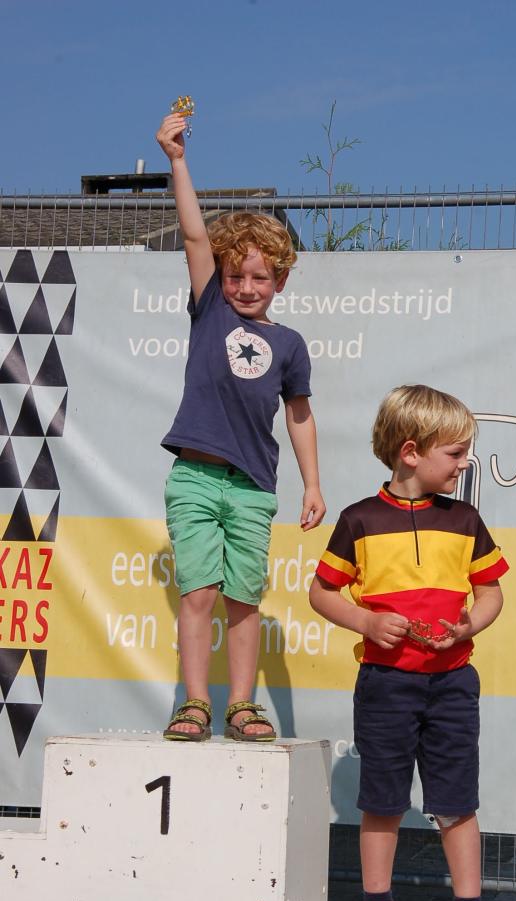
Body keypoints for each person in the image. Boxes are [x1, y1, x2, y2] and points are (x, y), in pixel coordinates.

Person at [309, 384, 507, 901]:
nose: (465, 463)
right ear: (412, 452)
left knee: (457, 803)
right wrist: (367, 621)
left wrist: (468, 627)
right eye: (456, 452)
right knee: (383, 803)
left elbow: (491, 593)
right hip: (385, 686)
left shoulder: (466, 519)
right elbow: (322, 592)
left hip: (452, 685)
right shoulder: (359, 520)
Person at [156, 110, 325, 743]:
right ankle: (196, 704)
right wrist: (177, 159)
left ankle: (243, 705)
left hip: (253, 486)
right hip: (195, 478)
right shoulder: (210, 313)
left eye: (260, 277)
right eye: (235, 276)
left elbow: (299, 414)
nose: (246, 287)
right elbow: (195, 235)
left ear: (281, 279)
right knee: (197, 594)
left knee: (244, 600)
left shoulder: (289, 344)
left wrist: (313, 484)